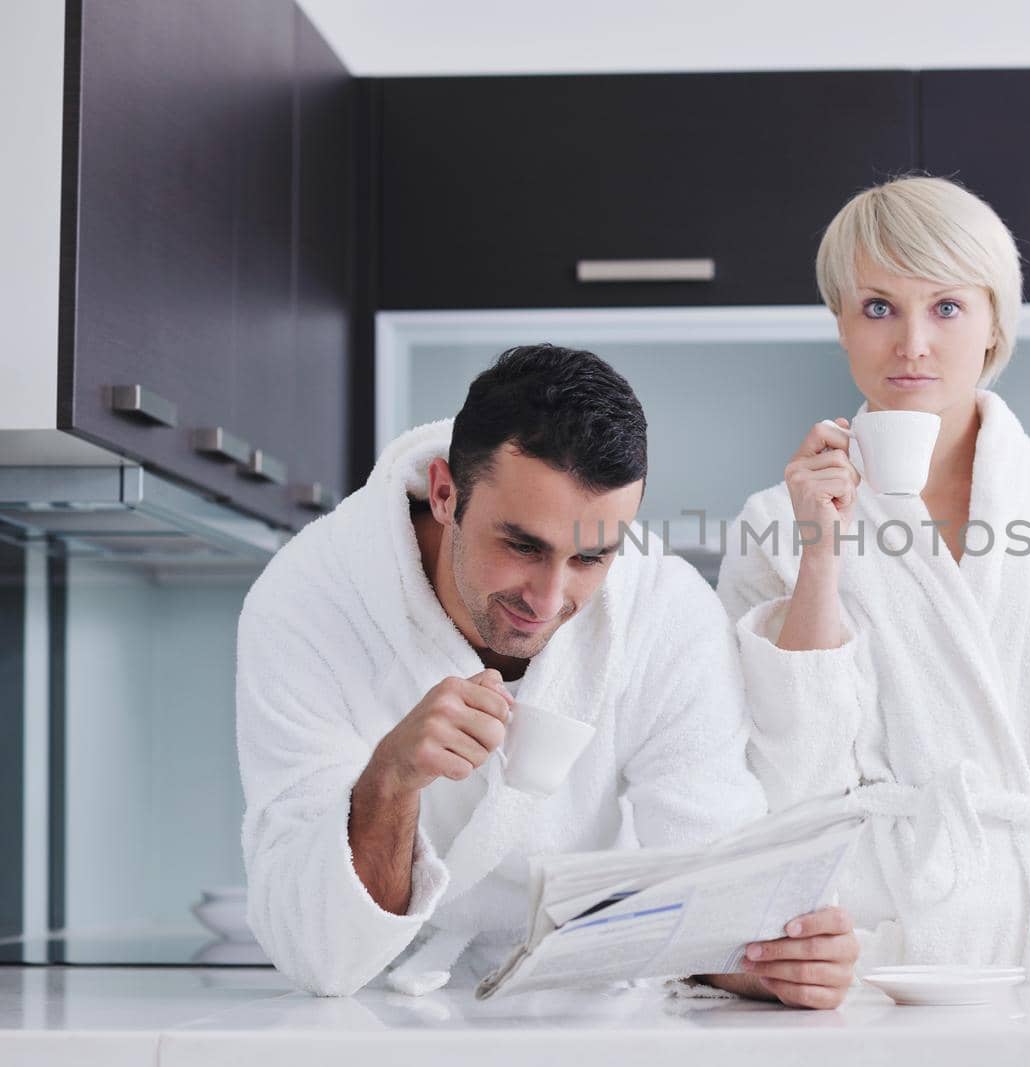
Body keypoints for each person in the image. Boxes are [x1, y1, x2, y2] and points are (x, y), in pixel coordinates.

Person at [715, 177, 1030, 982]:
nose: (912, 343)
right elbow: (778, 784)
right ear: (841, 325)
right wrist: (821, 554)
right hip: (887, 963)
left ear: (994, 322)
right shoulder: (776, 521)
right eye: (878, 307)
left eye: (946, 307)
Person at [237, 345, 857, 1006]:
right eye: (522, 545)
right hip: (381, 1003)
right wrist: (392, 779)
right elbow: (317, 948)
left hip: (597, 996)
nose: (548, 597)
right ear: (446, 493)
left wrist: (767, 958)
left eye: (591, 556)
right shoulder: (309, 602)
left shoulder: (665, 612)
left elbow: (713, 881)